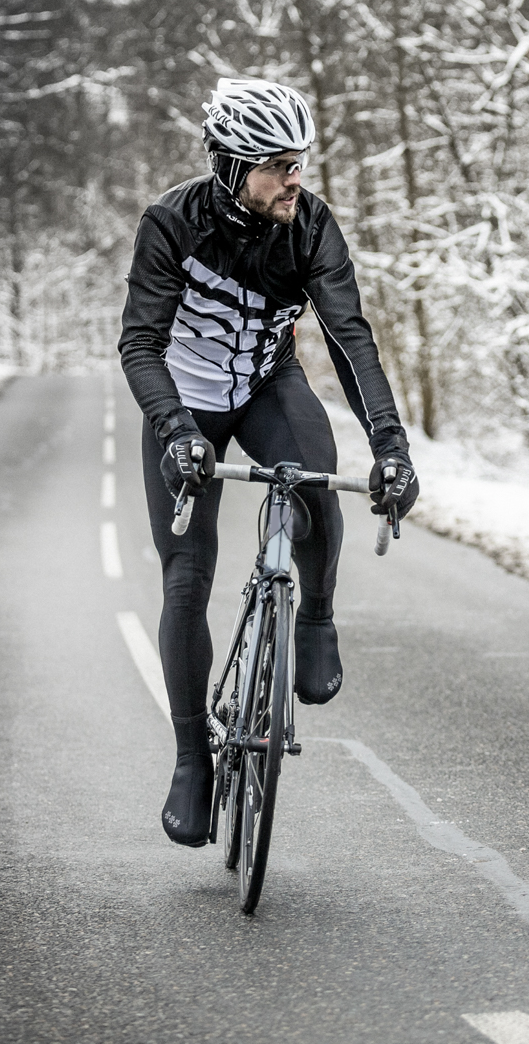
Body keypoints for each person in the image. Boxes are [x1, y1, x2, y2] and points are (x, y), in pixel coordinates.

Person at [118, 77, 419, 847]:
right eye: (277, 164)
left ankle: (314, 616)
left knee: (316, 481)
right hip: (182, 402)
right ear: (230, 166)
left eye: (300, 161)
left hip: (264, 384)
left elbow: (352, 340)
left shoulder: (311, 225)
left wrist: (390, 442)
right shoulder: (172, 224)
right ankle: (193, 759)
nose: (295, 178)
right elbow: (140, 345)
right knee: (187, 578)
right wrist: (176, 429)